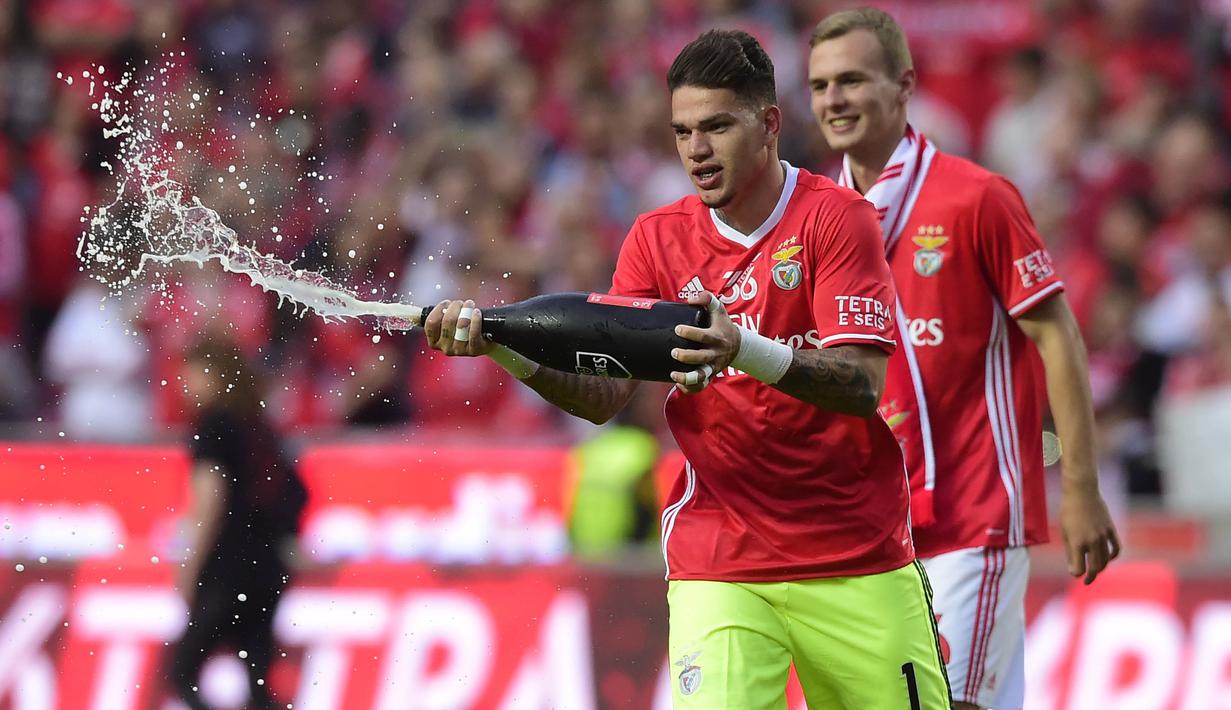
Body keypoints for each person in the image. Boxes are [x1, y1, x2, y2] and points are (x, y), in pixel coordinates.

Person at [426, 29, 951, 709]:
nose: (696, 150)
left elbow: (861, 384)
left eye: (716, 127)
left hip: (854, 554)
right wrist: (501, 347)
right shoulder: (656, 239)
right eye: (682, 132)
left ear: (769, 125)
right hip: (720, 558)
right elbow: (603, 397)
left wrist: (744, 349)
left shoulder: (836, 219)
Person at [806, 9, 1121, 710]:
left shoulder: (976, 197)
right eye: (820, 85)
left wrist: (1079, 487)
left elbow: (1057, 335)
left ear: (904, 84)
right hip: (868, 531)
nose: (834, 100)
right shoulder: (815, 218)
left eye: (852, 80)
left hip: (973, 519)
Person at [166, 339, 306, 710]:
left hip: (228, 567)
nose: (184, 386)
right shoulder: (261, 426)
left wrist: (189, 565)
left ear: (216, 376)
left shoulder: (215, 425)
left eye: (191, 376)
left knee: (182, 672)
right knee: (257, 678)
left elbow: (210, 500)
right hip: (268, 567)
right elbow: (296, 490)